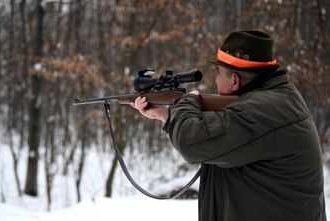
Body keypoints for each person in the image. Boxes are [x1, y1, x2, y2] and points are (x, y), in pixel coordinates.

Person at [131, 30, 327, 221]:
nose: (215, 81)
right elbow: (220, 139)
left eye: (218, 74)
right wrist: (165, 114)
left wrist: (188, 101)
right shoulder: (279, 98)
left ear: (234, 80)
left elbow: (191, 141)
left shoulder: (262, 111)